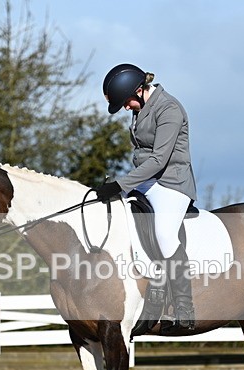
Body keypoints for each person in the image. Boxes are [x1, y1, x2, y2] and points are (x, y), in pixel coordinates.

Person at [95, 63, 197, 330]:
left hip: (171, 182)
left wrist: (120, 184)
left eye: (126, 102)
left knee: (164, 234)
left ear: (139, 90)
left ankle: (184, 306)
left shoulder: (169, 109)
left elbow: (159, 159)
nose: (126, 108)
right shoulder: (141, 108)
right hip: (147, 181)